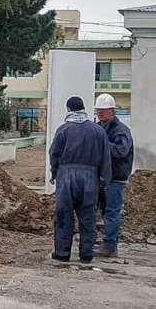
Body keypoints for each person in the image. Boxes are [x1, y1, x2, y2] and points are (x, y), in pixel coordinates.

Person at [48, 96, 112, 263]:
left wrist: (54, 172)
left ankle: (62, 253)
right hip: (90, 178)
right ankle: (86, 254)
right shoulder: (98, 131)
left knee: (64, 215)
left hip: (66, 176)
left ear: (68, 109)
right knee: (88, 216)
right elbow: (106, 158)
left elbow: (54, 153)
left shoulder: (63, 130)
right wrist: (104, 180)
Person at [93, 93, 134, 258]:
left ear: (112, 111)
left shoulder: (120, 130)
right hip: (103, 177)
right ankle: (104, 242)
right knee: (102, 211)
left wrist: (102, 145)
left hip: (115, 178)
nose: (100, 113)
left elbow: (121, 150)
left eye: (103, 110)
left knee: (111, 212)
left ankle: (110, 246)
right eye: (98, 110)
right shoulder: (99, 128)